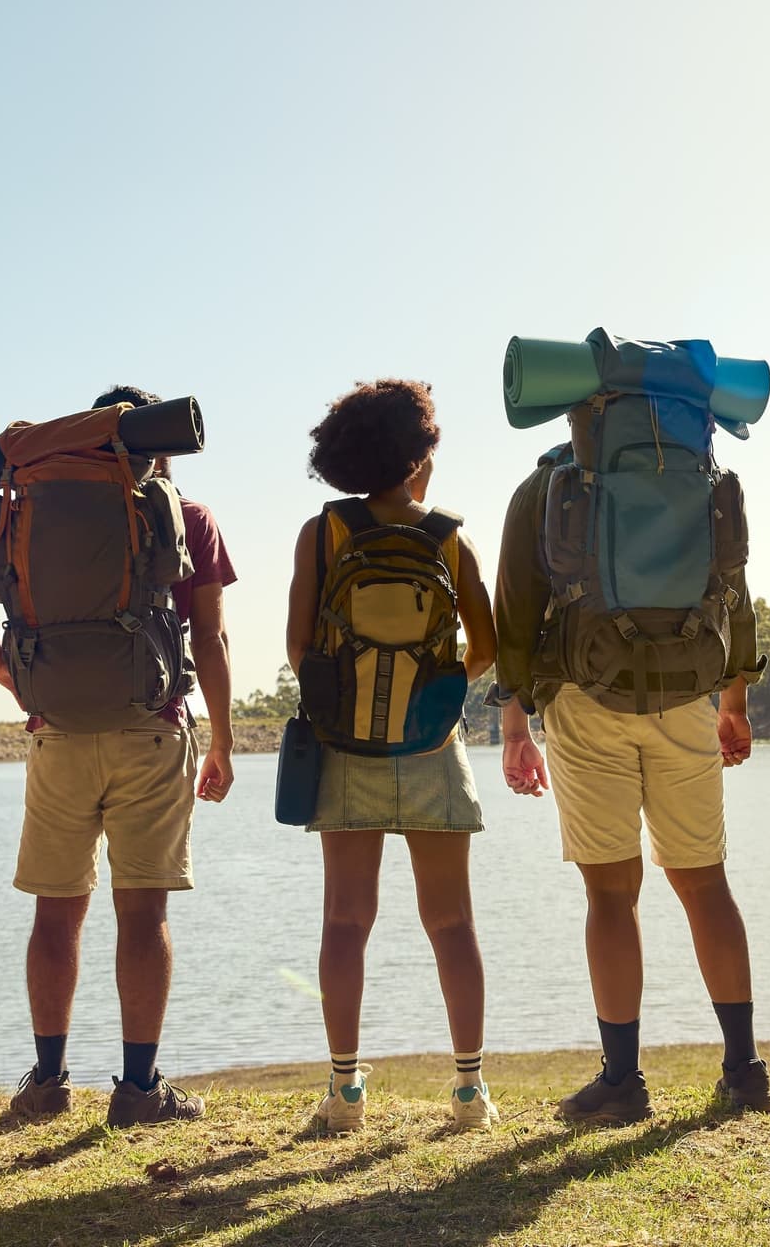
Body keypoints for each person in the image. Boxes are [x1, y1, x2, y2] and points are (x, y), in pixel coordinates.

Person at [0, 386, 237, 1127]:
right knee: (143, 911)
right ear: (161, 447)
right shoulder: (188, 515)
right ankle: (138, 1090)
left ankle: (47, 1082)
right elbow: (209, 638)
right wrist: (224, 739)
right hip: (153, 728)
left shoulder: (31, 508)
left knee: (56, 912)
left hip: (56, 730)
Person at [491, 405, 770, 1126]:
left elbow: (514, 609)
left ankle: (622, 1082)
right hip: (686, 694)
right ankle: (745, 1072)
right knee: (705, 882)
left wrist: (515, 718)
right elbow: (734, 589)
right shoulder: (699, 474)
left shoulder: (548, 482)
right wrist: (734, 699)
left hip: (584, 696)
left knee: (611, 893)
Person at [287, 379, 500, 1133]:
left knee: (346, 921)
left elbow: (299, 647)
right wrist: (431, 696)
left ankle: (345, 1093)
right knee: (452, 922)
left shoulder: (324, 532)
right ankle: (469, 1092)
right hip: (434, 747)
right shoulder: (450, 537)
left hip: (347, 748)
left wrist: (354, 698)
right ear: (417, 457)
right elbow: (486, 649)